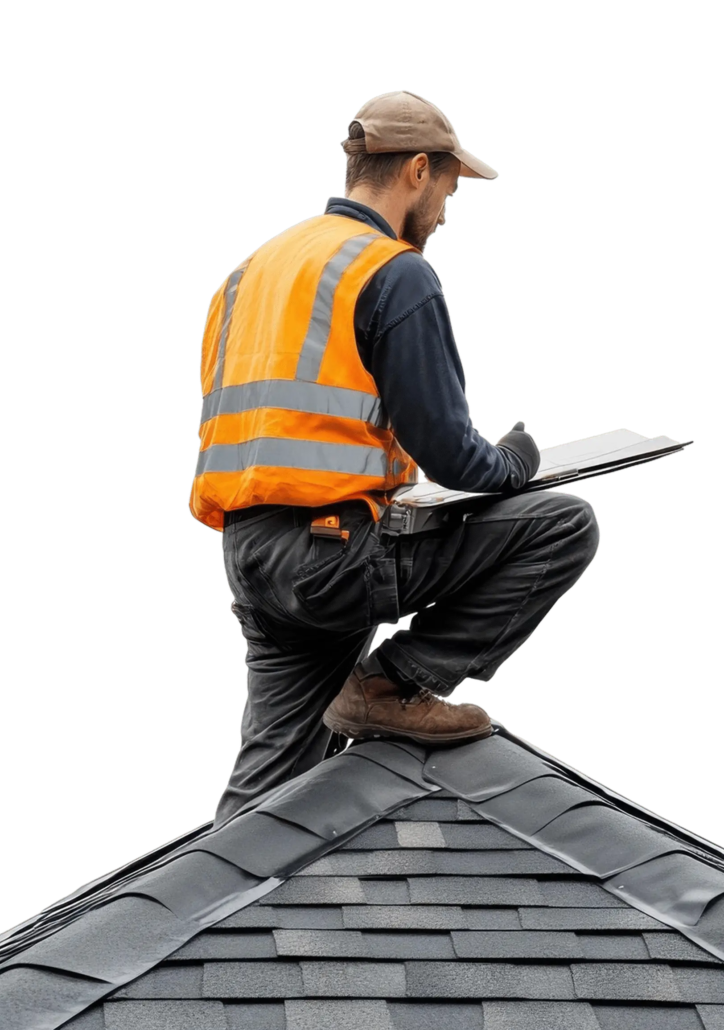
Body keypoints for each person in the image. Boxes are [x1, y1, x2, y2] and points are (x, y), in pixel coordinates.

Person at [190, 91, 601, 829]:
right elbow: (454, 454)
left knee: (271, 783)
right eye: (449, 189)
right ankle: (391, 686)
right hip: (334, 557)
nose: (447, 211)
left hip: (256, 558)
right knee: (559, 526)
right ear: (416, 170)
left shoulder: (248, 274)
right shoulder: (393, 272)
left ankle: (192, 915)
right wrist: (518, 457)